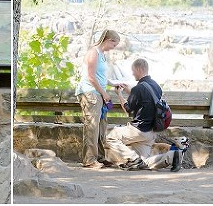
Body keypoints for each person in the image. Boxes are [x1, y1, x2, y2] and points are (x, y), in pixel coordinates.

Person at [106, 58, 182, 172]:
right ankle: (173, 156)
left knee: (110, 137)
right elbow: (145, 101)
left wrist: (119, 94)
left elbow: (128, 110)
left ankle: (132, 158)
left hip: (139, 130)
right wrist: (129, 92)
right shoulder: (156, 86)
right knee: (143, 162)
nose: (132, 74)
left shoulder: (138, 88)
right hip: (152, 132)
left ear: (138, 69)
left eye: (133, 71)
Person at [75, 29, 124, 168]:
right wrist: (104, 93)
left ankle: (100, 157)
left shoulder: (102, 55)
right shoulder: (93, 53)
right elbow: (91, 77)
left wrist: (112, 83)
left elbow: (101, 76)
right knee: (92, 127)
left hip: (98, 93)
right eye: (114, 45)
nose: (113, 48)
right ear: (109, 40)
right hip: (90, 93)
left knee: (101, 126)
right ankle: (89, 160)